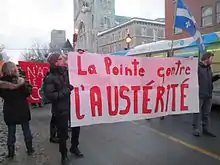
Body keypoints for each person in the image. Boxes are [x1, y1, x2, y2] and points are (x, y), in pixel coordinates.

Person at [43, 53, 83, 164]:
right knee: (63, 133)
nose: (64, 60)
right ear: (56, 62)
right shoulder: (50, 78)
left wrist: (80, 56)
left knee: (76, 128)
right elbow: (50, 96)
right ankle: (63, 154)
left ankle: (74, 147)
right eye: (61, 59)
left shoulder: (67, 72)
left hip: (73, 106)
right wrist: (66, 91)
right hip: (61, 109)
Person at [0, 62, 34, 159]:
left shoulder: (1, 83)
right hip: (22, 108)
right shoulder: (21, 81)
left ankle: (10, 153)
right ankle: (30, 149)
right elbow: (28, 93)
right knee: (26, 130)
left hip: (9, 110)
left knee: (11, 132)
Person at [193, 52, 220, 137]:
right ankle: (196, 129)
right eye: (211, 58)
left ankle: (206, 129)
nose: (212, 60)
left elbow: (209, 80)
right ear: (206, 58)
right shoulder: (197, 68)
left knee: (206, 113)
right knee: (197, 112)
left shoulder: (209, 68)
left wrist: (216, 77)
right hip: (200, 94)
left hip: (208, 94)